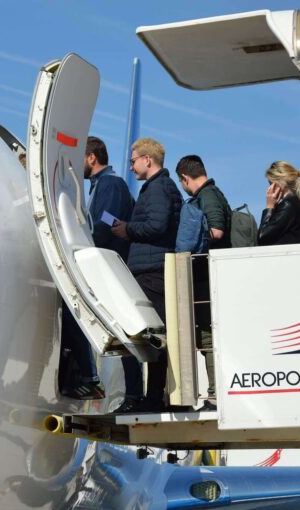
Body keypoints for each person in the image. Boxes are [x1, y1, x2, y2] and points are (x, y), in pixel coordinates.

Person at [58, 136, 134, 400]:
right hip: (102, 261)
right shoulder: (99, 186)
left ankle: (90, 376)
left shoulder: (111, 184)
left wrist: (85, 248)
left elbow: (105, 223)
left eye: (80, 158)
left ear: (91, 158)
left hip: (105, 265)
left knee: (75, 312)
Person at [111, 138, 182, 413]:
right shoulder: (159, 187)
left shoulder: (157, 189)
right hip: (154, 268)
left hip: (152, 271)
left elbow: (156, 225)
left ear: (147, 160)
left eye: (133, 160)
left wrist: (128, 230)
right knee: (156, 335)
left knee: (150, 336)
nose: (130, 166)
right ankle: (153, 396)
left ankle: (151, 398)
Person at [175, 155, 230, 411]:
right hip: (210, 277)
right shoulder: (212, 194)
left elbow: (217, 230)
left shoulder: (208, 196)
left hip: (208, 278)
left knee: (208, 337)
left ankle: (214, 395)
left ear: (185, 178)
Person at [257, 161, 300, 245]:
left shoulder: (288, 205)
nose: (270, 188)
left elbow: (262, 238)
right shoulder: (298, 202)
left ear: (279, 182)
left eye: (271, 183)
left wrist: (269, 207)